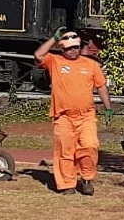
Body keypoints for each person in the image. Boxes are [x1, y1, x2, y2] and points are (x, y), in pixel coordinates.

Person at [35, 28, 113, 196]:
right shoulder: (54, 61)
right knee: (65, 152)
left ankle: (86, 179)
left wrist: (108, 108)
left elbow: (101, 86)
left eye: (76, 47)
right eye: (69, 48)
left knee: (90, 146)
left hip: (86, 116)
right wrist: (54, 38)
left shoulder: (91, 65)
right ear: (62, 49)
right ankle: (67, 184)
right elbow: (38, 55)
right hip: (63, 117)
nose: (73, 50)